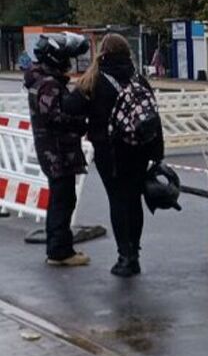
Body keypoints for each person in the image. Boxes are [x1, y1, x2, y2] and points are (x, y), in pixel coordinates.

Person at [66, 34, 164, 277]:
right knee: (134, 200)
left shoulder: (94, 80)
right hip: (139, 150)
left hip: (109, 152)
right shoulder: (138, 79)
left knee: (118, 200)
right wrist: (157, 153)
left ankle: (125, 256)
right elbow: (153, 117)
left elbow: (70, 107)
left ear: (103, 53)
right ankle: (135, 253)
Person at [24, 33, 90, 267]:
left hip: (53, 150)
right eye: (66, 59)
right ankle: (60, 252)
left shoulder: (42, 80)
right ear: (55, 58)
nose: (68, 64)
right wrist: (79, 121)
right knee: (62, 200)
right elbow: (54, 117)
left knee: (61, 198)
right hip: (57, 152)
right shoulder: (49, 84)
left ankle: (59, 248)